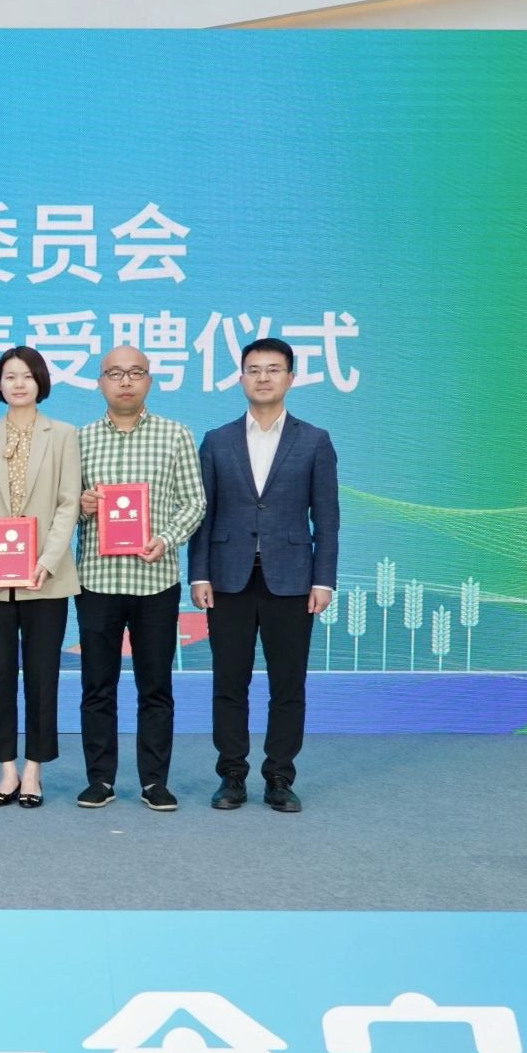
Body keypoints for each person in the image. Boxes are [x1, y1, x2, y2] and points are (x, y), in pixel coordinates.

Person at [187, 337, 339, 813]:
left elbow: (327, 517)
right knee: (228, 682)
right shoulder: (217, 440)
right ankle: (231, 774)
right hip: (227, 579)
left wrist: (323, 579)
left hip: (292, 581)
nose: (263, 377)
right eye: (254, 370)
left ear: (290, 378)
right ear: (240, 379)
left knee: (287, 684)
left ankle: (279, 776)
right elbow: (203, 515)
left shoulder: (314, 440)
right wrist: (198, 574)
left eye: (273, 369)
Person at [72, 346, 207, 812]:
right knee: (97, 687)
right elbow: (60, 507)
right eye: (115, 373)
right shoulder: (81, 440)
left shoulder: (175, 435)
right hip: (97, 581)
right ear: (100, 383)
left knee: (156, 687)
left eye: (135, 372)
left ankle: (154, 781)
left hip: (156, 582)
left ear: (150, 380)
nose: (125, 381)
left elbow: (195, 502)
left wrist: (166, 539)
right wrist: (81, 507)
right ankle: (100, 779)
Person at [0, 346, 82, 807]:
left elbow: (69, 503)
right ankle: (6, 769)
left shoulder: (63, 435)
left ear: (40, 381)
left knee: (43, 676)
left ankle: (34, 770)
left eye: (27, 375)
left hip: (45, 577)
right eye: (9, 376)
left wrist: (47, 560)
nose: (18, 384)